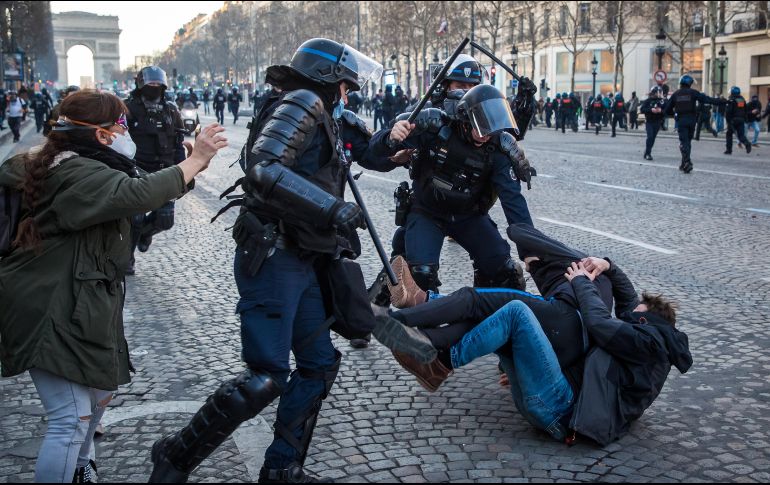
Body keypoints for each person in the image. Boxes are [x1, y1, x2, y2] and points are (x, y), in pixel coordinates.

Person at [148, 38, 382, 484]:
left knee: (318, 362)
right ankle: (176, 455)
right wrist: (332, 208)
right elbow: (264, 168)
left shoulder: (310, 104)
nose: (349, 94)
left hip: (304, 254)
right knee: (267, 376)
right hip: (275, 256)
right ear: (328, 78)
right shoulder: (304, 100)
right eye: (346, 86)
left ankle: (282, 468)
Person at [0, 89, 225, 483]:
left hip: (77, 300)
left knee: (100, 392)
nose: (127, 129)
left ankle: (81, 465)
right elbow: (134, 195)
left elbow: (134, 186)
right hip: (51, 306)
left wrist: (188, 169)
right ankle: (73, 465)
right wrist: (196, 160)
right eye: (120, 123)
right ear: (101, 134)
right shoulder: (75, 171)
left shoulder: (77, 162)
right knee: (69, 419)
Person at [363, 82, 535, 303]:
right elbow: (376, 149)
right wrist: (391, 137)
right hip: (426, 211)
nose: (485, 134)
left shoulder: (498, 148)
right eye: (480, 126)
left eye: (491, 127)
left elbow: (513, 200)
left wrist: (531, 249)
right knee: (420, 273)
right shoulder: (436, 127)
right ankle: (418, 322)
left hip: (469, 216)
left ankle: (487, 312)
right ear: (465, 120)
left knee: (504, 269)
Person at [124, 66, 187, 275]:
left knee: (165, 219)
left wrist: (185, 171)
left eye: (157, 84)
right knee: (135, 219)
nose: (154, 87)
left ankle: (145, 234)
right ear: (141, 85)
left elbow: (179, 143)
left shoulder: (171, 109)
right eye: (150, 84)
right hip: (137, 171)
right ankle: (128, 258)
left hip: (165, 170)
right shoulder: (127, 108)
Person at [664, 75, 723, 173]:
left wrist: (674, 115)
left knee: (684, 142)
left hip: (681, 121)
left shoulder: (676, 94)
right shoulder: (693, 93)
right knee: (688, 142)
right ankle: (684, 163)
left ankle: (687, 161)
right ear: (690, 84)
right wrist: (722, 101)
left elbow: (667, 110)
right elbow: (707, 99)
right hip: (691, 121)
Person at [724, 86, 751, 155]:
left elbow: (728, 112)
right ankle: (747, 143)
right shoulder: (741, 100)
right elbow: (744, 110)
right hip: (741, 120)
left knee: (729, 134)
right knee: (741, 135)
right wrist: (745, 119)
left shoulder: (731, 100)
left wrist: (728, 121)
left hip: (733, 120)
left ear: (732, 92)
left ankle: (729, 150)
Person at [640, 86, 666, 160]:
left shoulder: (662, 101)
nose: (659, 94)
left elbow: (667, 111)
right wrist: (651, 110)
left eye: (660, 92)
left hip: (658, 121)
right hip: (649, 121)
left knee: (653, 138)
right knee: (650, 136)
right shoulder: (648, 101)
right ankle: (648, 153)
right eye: (658, 92)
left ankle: (647, 151)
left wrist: (661, 111)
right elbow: (642, 109)